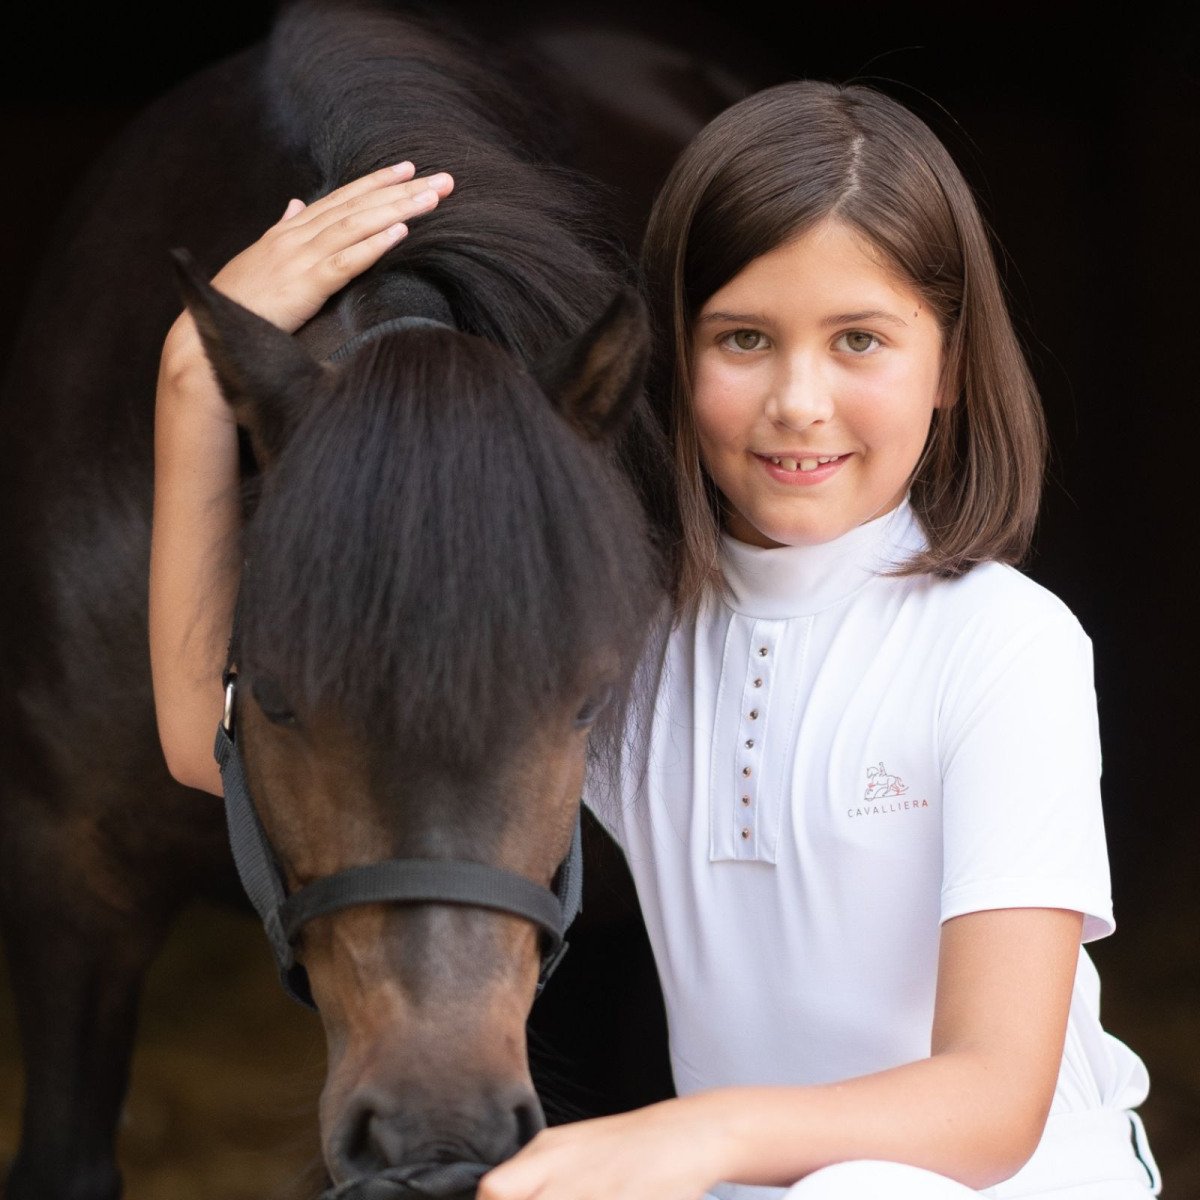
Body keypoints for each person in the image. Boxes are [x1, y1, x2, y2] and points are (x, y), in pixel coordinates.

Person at [149, 83, 1160, 1200]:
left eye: (860, 340)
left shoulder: (1005, 646)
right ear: (669, 358)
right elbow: (212, 742)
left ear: (952, 365)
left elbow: (993, 1105)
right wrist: (194, 377)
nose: (800, 401)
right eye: (744, 339)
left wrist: (689, 1137)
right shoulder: (642, 645)